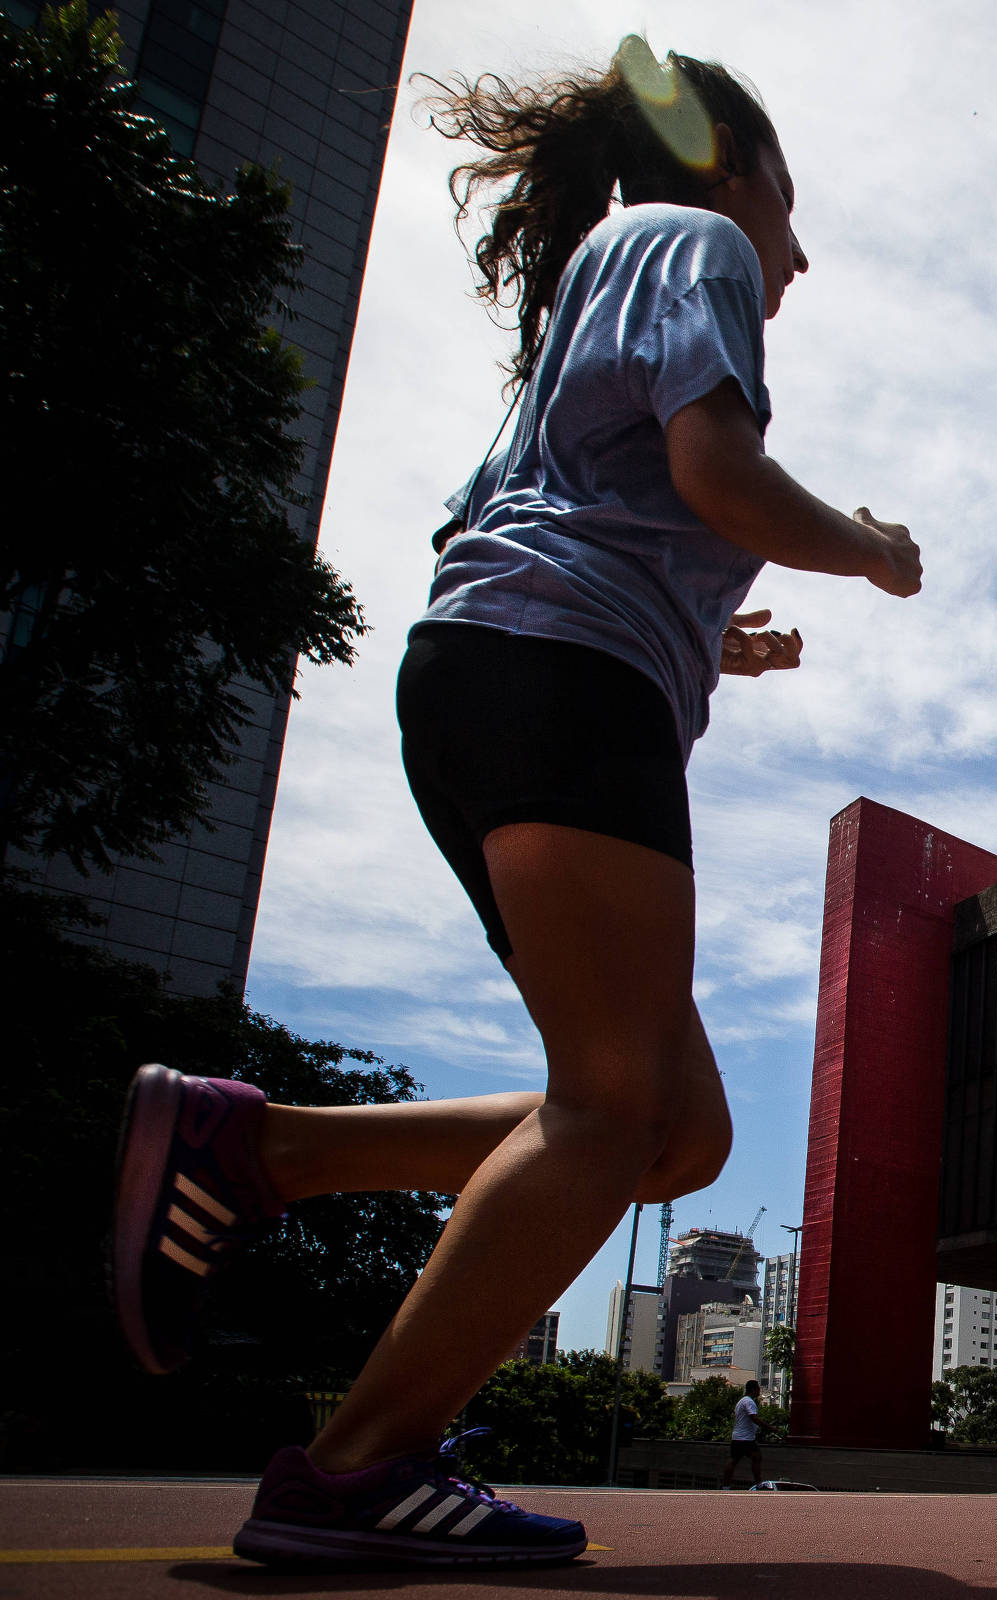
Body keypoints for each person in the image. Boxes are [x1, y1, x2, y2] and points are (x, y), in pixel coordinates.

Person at [107, 37, 920, 1569]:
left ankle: (266, 1149)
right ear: (732, 168)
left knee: (671, 1130)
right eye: (792, 208)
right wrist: (868, 545)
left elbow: (548, 512)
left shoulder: (586, 298)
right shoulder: (692, 243)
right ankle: (352, 1465)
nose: (799, 254)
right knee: (616, 1112)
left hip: (496, 680)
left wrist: (700, 631)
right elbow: (721, 477)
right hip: (559, 686)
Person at [722, 1379, 765, 1489]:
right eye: (758, 1389)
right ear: (754, 1389)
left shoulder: (742, 1401)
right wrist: (769, 1427)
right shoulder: (749, 1401)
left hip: (739, 1437)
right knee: (756, 1457)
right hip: (745, 1438)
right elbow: (753, 1417)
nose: (759, 1391)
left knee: (734, 1460)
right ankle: (759, 1484)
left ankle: (726, 1486)